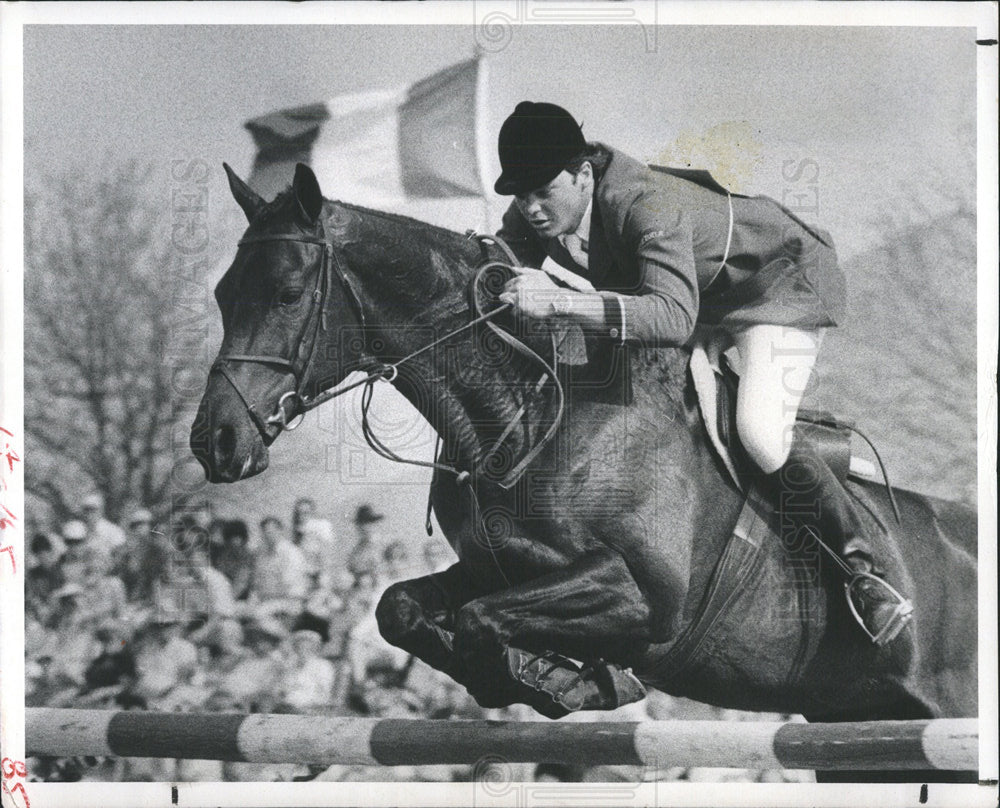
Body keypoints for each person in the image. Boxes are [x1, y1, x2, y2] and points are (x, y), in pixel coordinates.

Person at [491, 101, 911, 645]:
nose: (531, 209)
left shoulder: (646, 202)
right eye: (519, 196)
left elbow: (669, 316)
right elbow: (500, 257)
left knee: (758, 430)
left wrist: (560, 304)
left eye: (542, 192)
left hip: (775, 290)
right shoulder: (544, 207)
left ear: (583, 172)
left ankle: (866, 574)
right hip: (699, 302)